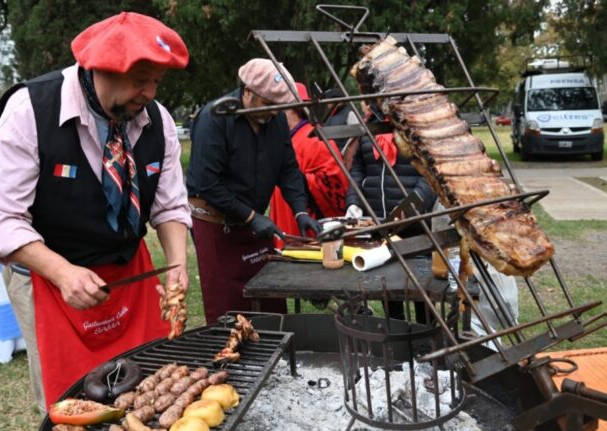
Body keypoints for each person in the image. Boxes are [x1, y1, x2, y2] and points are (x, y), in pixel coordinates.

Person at [0, 12, 191, 410]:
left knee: (148, 385)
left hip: (131, 272)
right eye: (140, 78)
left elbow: (170, 203)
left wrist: (177, 263)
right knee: (68, 399)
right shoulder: (30, 110)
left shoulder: (157, 120)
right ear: (99, 67)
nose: (149, 92)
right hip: (47, 278)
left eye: (157, 80)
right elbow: (0, 216)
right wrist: (62, 273)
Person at [186, 59, 321, 324]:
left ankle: (276, 353)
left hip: (253, 225)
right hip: (216, 226)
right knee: (229, 310)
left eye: (277, 106)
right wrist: (251, 217)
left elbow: (288, 169)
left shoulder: (277, 121)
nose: (272, 112)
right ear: (247, 91)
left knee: (270, 299)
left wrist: (300, 210)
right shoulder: (214, 117)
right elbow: (207, 183)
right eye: (267, 104)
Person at [344, 99, 437, 320]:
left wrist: (411, 205)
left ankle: (426, 343)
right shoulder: (369, 127)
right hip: (379, 228)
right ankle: (398, 346)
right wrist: (354, 202)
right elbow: (358, 169)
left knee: (422, 294)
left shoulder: (418, 125)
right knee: (388, 291)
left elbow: (431, 174)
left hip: (417, 227)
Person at [269, 82, 348, 248]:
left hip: (308, 226)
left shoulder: (315, 138)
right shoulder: (284, 138)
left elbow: (336, 183)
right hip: (285, 218)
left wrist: (298, 181)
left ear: (293, 107)